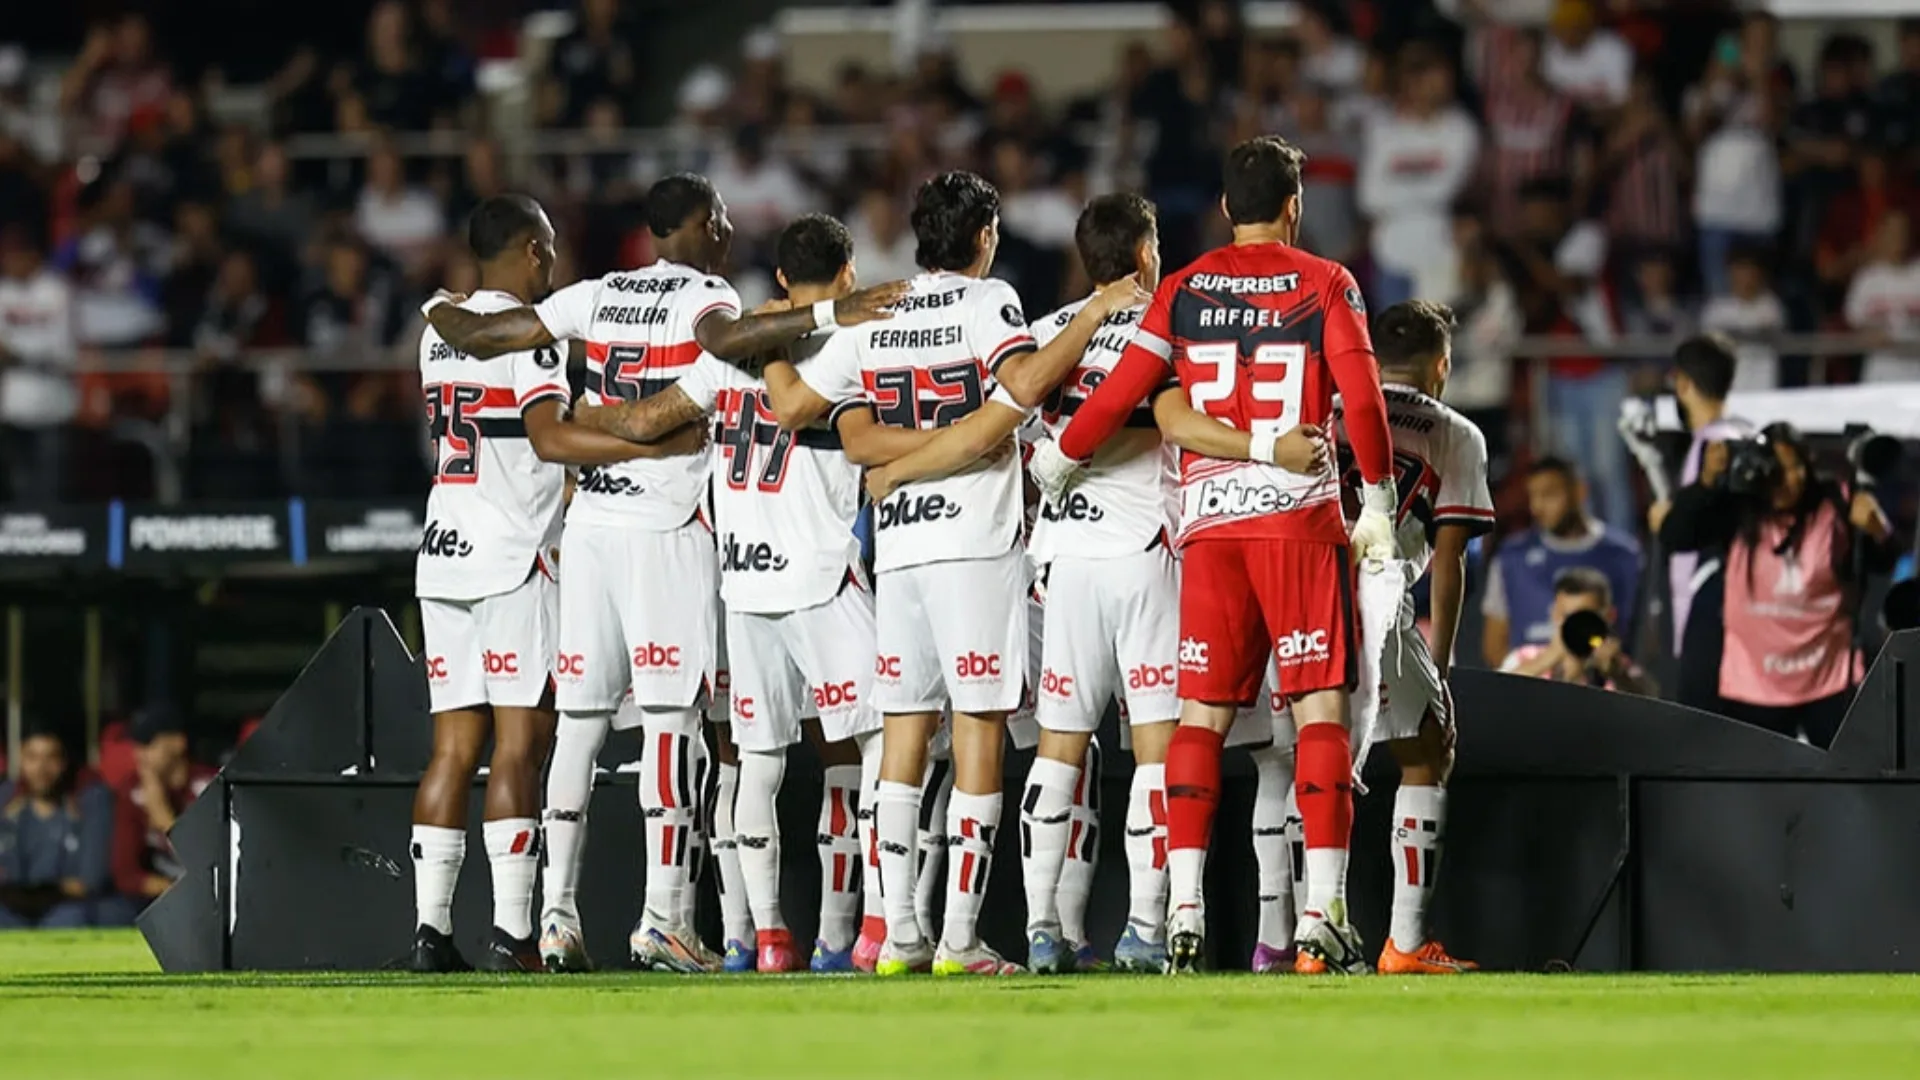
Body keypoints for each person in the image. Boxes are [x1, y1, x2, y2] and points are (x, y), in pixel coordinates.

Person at [422, 175, 901, 973]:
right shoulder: (706, 294)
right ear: (710, 227)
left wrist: (435, 308)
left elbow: (485, 338)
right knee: (674, 722)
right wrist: (828, 313)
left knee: (577, 726)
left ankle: (554, 921)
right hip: (666, 530)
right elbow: (727, 344)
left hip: (588, 531)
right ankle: (664, 918)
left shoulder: (593, 294)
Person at [752, 172, 1142, 976]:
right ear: (985, 235)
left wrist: (910, 462)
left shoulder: (879, 310)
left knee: (899, 741)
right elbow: (1027, 386)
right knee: (976, 738)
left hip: (898, 553)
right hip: (974, 547)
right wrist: (1096, 313)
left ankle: (897, 935)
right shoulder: (987, 303)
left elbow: (850, 437)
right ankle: (959, 939)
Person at [1030, 135, 1399, 974]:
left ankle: (1184, 908)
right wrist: (1373, 498)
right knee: (1318, 713)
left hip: (1209, 529)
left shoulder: (1187, 287)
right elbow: (1365, 398)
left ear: (1226, 209)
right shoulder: (1326, 283)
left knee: (1200, 717)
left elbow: (1125, 388)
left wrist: (1063, 453)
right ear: (1294, 206)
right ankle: (1322, 914)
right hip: (1298, 521)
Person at [569, 214, 930, 974]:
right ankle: (875, 928)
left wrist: (584, 416)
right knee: (889, 742)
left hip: (745, 584)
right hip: (820, 577)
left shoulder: (727, 355)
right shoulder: (846, 345)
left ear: (777, 282)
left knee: (758, 762)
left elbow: (642, 419)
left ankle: (764, 937)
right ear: (848, 275)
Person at [862, 194, 1192, 974]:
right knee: (1154, 751)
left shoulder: (1045, 331)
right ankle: (1144, 927)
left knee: (1055, 749)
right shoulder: (1170, 326)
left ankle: (1041, 924)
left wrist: (898, 467)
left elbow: (1008, 415)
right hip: (1143, 547)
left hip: (1059, 553)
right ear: (1146, 254)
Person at [1155, 299, 1492, 973]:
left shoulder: (1331, 405)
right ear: (1442, 365)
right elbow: (1449, 560)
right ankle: (1397, 940)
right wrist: (1444, 665)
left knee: (1285, 756)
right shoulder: (1454, 431)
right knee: (1424, 753)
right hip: (1372, 590)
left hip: (1285, 572)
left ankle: (1280, 940)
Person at [407, 195, 690, 973]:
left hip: (443, 550)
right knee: (520, 750)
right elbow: (550, 437)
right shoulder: (531, 346)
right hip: (514, 557)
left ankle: (430, 934)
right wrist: (649, 450)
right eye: (551, 249)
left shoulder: (439, 327)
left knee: (451, 751)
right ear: (531, 251)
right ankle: (512, 935)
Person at [1662, 423, 1898, 746]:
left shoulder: (1837, 505)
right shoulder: (1739, 508)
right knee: (1755, 786)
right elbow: (1676, 537)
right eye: (1782, 471)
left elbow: (1882, 560)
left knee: (1847, 781)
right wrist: (1705, 485)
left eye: (1799, 466)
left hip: (1825, 677)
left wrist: (1876, 530)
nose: (1795, 478)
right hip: (1755, 681)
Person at [1647, 335, 1751, 686]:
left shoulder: (1712, 447)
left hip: (1705, 612)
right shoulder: (1740, 434)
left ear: (1683, 383)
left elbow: (1695, 529)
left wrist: (1668, 518)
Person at [1480, 456, 1642, 667]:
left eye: (1549, 495)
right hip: (1529, 689)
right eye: (1533, 496)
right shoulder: (1511, 557)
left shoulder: (1624, 555)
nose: (1537, 507)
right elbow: (1493, 646)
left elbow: (1640, 639)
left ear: (1579, 492)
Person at [0, 727, 119, 930]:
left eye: (51, 758)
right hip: (11, 909)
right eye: (32, 757)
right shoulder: (8, 805)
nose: (41, 768)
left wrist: (43, 892)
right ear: (20, 759)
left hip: (66, 909)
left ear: (64, 763)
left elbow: (89, 882)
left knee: (73, 918)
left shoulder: (87, 804)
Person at [111, 707, 215, 911]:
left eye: (148, 743)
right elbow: (124, 873)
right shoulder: (133, 790)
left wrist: (165, 819)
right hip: (159, 898)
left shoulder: (211, 787)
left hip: (209, 901)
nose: (139, 754)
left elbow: (212, 866)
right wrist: (168, 888)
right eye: (136, 745)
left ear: (178, 743)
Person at [1500, 567, 1659, 695]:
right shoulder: (1524, 658)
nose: (1575, 626)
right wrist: (1547, 659)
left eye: (1584, 618)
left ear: (1609, 616)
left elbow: (1652, 707)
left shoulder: (1622, 668)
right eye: (1568, 616)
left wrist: (1617, 675)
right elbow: (1496, 693)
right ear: (1555, 614)